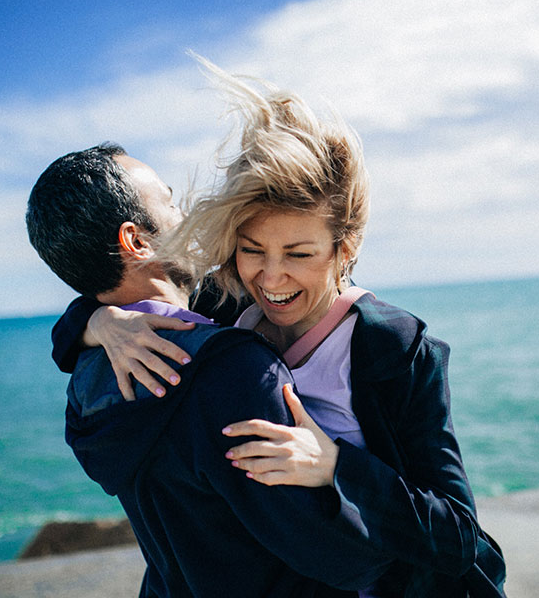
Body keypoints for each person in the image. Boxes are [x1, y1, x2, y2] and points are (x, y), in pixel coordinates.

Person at [51, 61, 507, 597]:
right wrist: (100, 320)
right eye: (251, 251)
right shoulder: (224, 307)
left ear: (345, 249)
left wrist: (336, 465)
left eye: (299, 253)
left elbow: (457, 537)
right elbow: (101, 311)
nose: (271, 277)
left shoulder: (395, 348)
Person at [26, 143, 392, 597]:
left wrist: (95, 318)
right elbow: (342, 556)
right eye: (171, 202)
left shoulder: (88, 378)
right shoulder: (228, 369)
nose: (189, 216)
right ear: (136, 241)